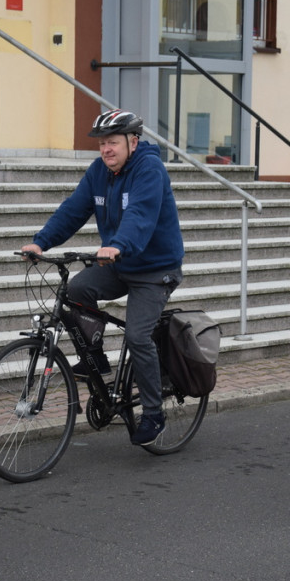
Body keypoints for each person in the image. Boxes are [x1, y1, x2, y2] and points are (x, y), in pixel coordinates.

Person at [22, 109, 184, 446]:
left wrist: (117, 245)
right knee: (76, 290)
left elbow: (140, 214)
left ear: (133, 142)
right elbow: (73, 210)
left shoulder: (149, 169)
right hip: (120, 263)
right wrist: (41, 241)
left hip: (155, 270)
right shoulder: (99, 172)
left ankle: (153, 414)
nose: (105, 149)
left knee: (138, 336)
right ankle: (94, 356)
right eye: (101, 144)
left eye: (112, 142)